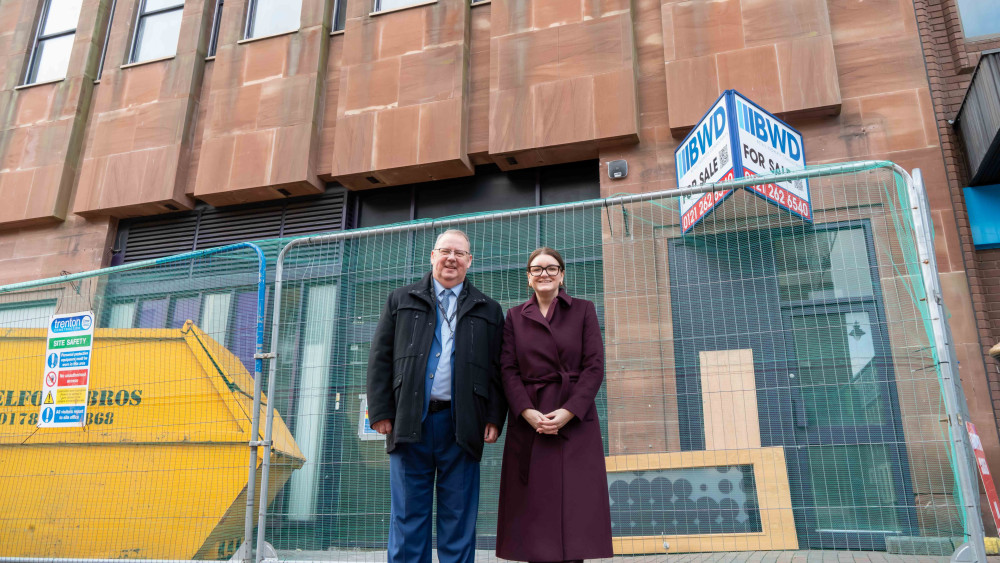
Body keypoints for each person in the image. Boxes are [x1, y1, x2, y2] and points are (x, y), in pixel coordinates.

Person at [366, 229, 506, 563]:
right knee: (407, 516)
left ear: (469, 261)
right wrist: (381, 411)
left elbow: (498, 369)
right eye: (445, 251)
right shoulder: (401, 300)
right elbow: (380, 358)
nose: (452, 258)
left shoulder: (489, 309)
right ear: (432, 256)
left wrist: (493, 417)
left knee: (458, 518)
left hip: (462, 424)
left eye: (460, 253)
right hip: (409, 420)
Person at [496, 247, 613, 563]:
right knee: (535, 513)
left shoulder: (584, 310)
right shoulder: (514, 317)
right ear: (528, 278)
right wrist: (526, 411)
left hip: (574, 422)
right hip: (530, 422)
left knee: (575, 512)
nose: (544, 273)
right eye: (537, 269)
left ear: (562, 274)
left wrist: (569, 411)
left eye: (551, 268)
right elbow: (507, 369)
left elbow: (594, 366)